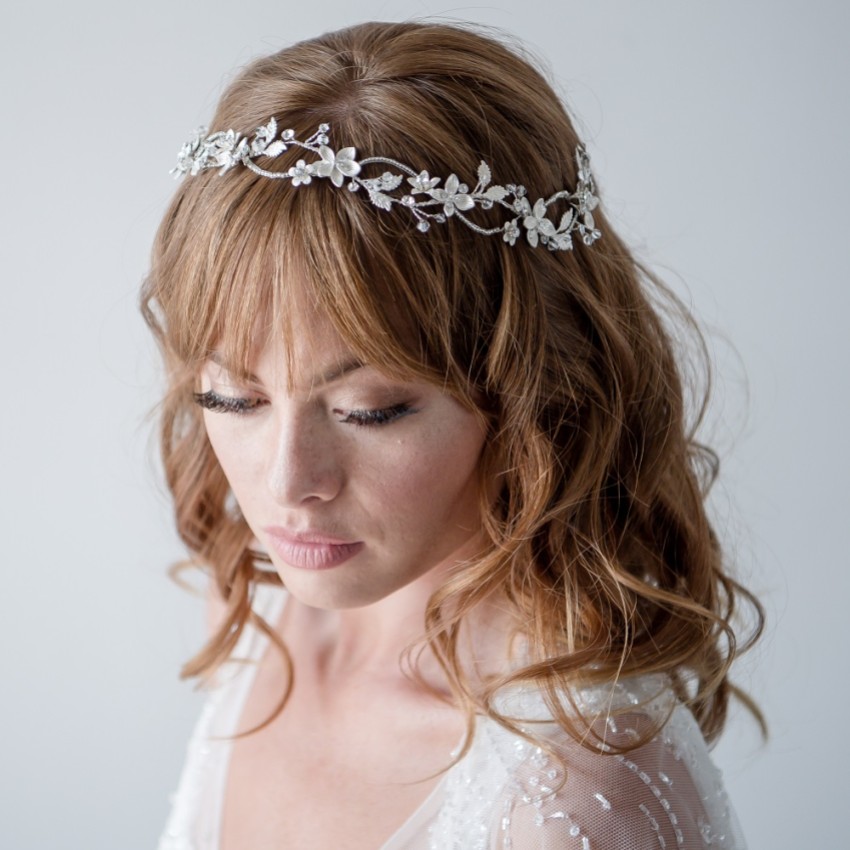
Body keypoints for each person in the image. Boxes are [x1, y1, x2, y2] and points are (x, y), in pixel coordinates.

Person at [144, 20, 764, 850]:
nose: (287, 484)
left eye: (369, 411)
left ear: (532, 386)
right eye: (230, 398)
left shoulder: (573, 802)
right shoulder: (268, 603)